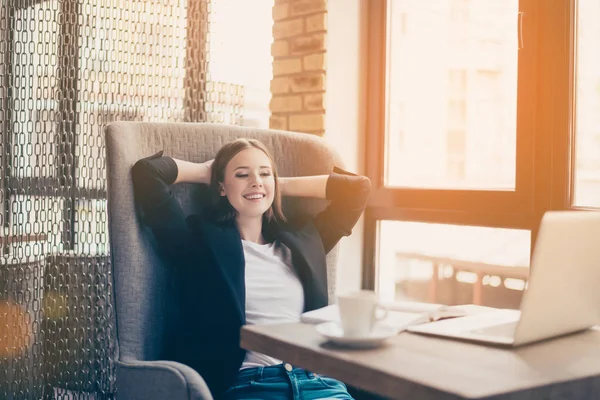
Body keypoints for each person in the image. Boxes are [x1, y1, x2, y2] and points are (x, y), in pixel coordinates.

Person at [132, 138, 371, 400]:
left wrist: (277, 185)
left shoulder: (304, 241)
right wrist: (207, 173)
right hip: (251, 386)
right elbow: (148, 173)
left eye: (264, 173)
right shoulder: (199, 243)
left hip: (318, 383)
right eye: (242, 174)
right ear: (222, 187)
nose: (256, 181)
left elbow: (357, 189)